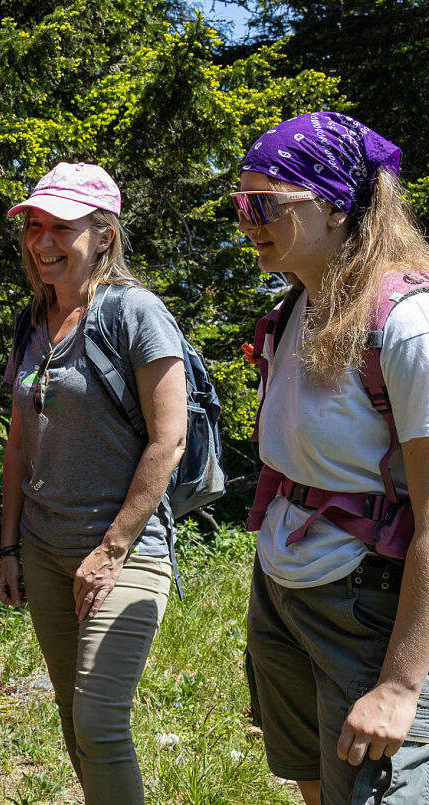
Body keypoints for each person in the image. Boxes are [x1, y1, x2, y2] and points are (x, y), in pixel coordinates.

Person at [237, 112, 429, 804]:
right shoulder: (296, 308)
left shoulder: (406, 327)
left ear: (335, 205)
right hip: (283, 587)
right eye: (241, 204)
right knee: (315, 783)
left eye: (266, 204)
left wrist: (402, 685)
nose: (249, 221)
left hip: (366, 602)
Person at [0, 162, 188, 805]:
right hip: (44, 549)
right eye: (35, 226)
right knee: (76, 720)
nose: (43, 242)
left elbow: (169, 439)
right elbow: (19, 444)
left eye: (62, 228)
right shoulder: (33, 321)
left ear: (103, 235)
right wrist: (9, 547)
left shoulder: (135, 312)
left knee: (101, 722)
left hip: (123, 550)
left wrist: (112, 548)